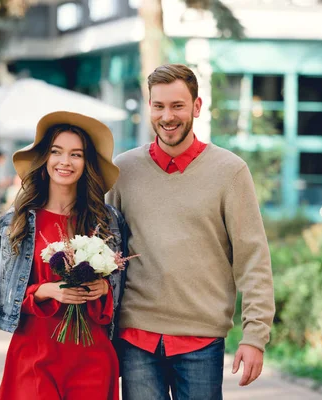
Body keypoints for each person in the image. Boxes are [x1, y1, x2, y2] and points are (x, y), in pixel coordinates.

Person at [106, 64, 275, 400]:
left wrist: (255, 337)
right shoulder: (122, 170)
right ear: (149, 107)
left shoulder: (230, 172)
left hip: (201, 341)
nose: (167, 116)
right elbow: (104, 247)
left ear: (197, 107)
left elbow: (253, 259)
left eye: (178, 106)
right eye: (159, 106)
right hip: (136, 337)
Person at [0, 111, 128, 400]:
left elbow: (124, 292)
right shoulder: (14, 222)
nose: (65, 162)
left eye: (76, 154)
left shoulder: (107, 221)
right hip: (33, 356)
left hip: (92, 359)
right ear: (45, 159)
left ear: (86, 163)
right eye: (57, 152)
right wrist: (44, 291)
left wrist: (104, 287)